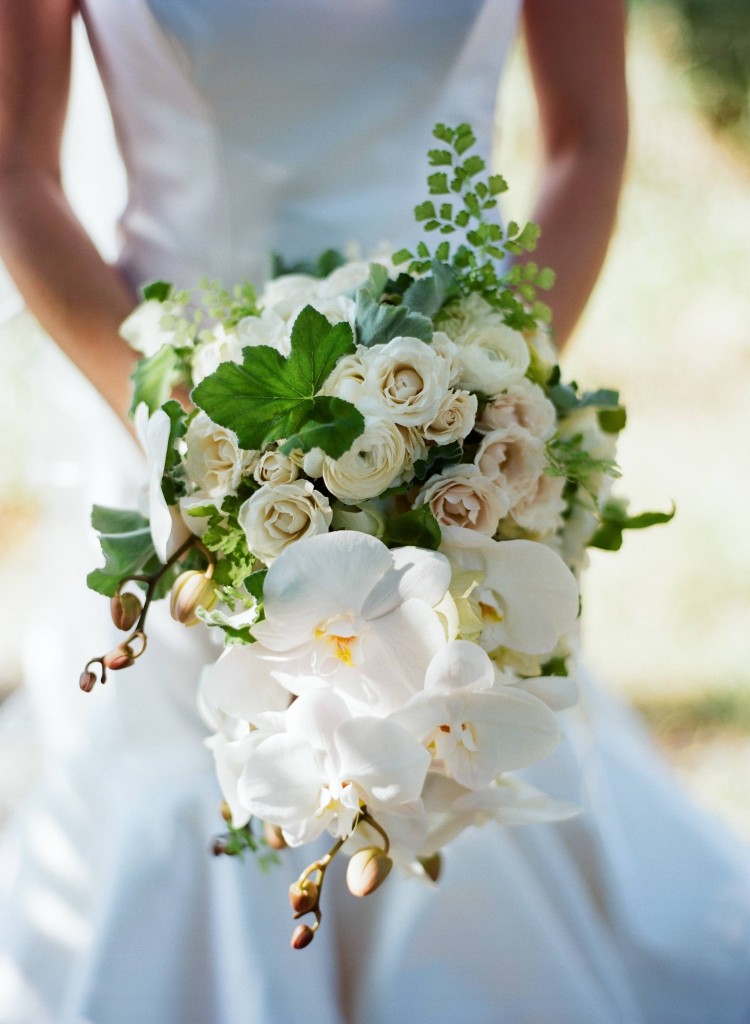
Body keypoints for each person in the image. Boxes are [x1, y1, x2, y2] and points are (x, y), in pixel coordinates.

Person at [0, 2, 748, 1022]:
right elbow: (15, 167)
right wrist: (180, 437)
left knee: (463, 736)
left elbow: (589, 139)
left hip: (455, 425)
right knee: (201, 772)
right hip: (177, 427)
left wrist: (491, 412)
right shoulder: (179, 440)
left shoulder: (474, 431)